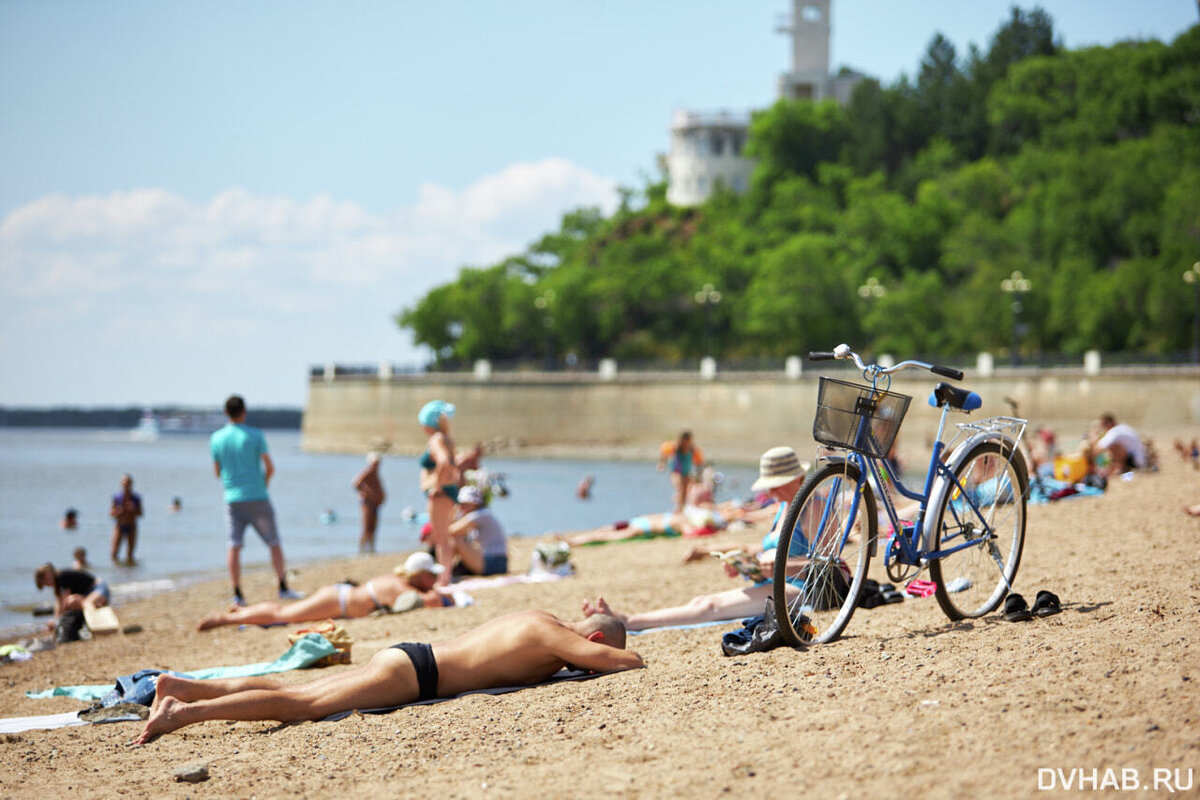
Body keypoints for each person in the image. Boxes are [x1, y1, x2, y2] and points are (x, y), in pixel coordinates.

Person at [135, 610, 640, 745]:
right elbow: (625, 663)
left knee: (300, 690)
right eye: (590, 655)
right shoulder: (556, 639)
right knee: (304, 706)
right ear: (593, 641)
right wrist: (615, 656)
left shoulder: (540, 617)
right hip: (420, 676)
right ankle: (185, 713)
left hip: (413, 655)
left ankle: (183, 687)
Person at [583, 445, 810, 631]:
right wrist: (747, 566)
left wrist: (779, 566)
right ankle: (630, 619)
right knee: (700, 600)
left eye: (776, 485)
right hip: (776, 582)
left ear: (797, 478)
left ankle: (629, 622)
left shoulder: (812, 506)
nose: (770, 493)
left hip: (800, 589)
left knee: (710, 606)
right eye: (769, 486)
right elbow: (778, 553)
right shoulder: (784, 507)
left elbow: (830, 566)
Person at [197, 552, 451, 631]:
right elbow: (433, 601)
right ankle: (227, 619)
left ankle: (242, 611)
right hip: (337, 602)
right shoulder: (400, 586)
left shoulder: (398, 578)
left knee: (285, 612)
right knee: (283, 614)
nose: (434, 580)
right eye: (431, 576)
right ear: (419, 575)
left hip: (338, 596)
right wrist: (443, 593)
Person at [210, 395, 299, 606]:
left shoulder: (216, 438)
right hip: (258, 496)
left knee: (234, 545)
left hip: (232, 498)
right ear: (244, 412)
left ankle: (238, 593)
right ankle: (283, 587)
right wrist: (264, 483)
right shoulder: (255, 435)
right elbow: (270, 467)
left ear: (226, 413)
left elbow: (217, 472)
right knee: (274, 542)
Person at [418, 400, 460, 587]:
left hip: (440, 493)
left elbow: (443, 461)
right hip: (448, 491)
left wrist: (436, 485)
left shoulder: (436, 439)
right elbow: (452, 463)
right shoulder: (447, 438)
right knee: (444, 536)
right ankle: (446, 575)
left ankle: (443, 579)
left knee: (440, 538)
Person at [447, 485, 509, 576]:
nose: (463, 506)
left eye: (466, 503)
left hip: (494, 562)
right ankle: (448, 569)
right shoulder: (481, 514)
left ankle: (445, 570)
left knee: (455, 540)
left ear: (475, 503)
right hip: (493, 560)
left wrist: (454, 511)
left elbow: (451, 531)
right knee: (457, 541)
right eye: (461, 503)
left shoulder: (480, 515)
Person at [34, 563, 110, 619]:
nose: (47, 584)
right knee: (74, 602)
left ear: (49, 575)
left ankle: (97, 622)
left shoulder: (62, 577)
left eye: (46, 582)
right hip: (88, 593)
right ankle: (95, 612)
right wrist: (56, 620)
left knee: (85, 603)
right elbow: (59, 603)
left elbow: (64, 601)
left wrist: (60, 618)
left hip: (98, 588)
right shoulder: (58, 585)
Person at [658, 431, 704, 513]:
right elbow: (664, 451)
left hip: (686, 473)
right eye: (685, 440)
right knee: (680, 489)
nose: (686, 443)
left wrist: (699, 475)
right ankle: (678, 508)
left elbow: (699, 463)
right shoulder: (675, 447)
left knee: (685, 493)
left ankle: (680, 510)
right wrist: (662, 463)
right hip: (676, 472)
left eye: (688, 441)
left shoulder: (692, 449)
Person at [352, 452, 386, 553]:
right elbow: (356, 483)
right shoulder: (368, 471)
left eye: (378, 463)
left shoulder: (375, 472)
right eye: (375, 463)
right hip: (368, 503)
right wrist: (367, 493)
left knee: (373, 526)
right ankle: (362, 549)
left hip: (375, 503)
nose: (377, 465)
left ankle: (371, 548)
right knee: (367, 526)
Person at [109, 473, 143, 564]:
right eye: (124, 483)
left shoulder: (136, 498)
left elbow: (141, 513)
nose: (126, 485)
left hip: (132, 525)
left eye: (128, 483)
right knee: (114, 553)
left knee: (130, 554)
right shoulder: (117, 497)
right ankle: (117, 572)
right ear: (121, 484)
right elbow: (111, 513)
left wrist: (133, 509)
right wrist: (120, 511)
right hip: (120, 525)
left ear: (131, 484)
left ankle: (129, 573)